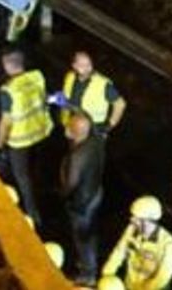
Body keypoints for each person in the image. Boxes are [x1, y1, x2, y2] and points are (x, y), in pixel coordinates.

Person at [0, 49, 53, 229]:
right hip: (41, 131)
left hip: (19, 141)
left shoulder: (8, 90)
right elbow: (44, 99)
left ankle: (34, 216)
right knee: (39, 170)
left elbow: (6, 121)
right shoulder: (37, 76)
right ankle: (47, 197)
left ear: (6, 66)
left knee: (23, 178)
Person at [59, 111, 105, 285]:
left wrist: (62, 194)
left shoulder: (77, 157)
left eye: (69, 126)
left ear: (74, 132)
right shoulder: (97, 141)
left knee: (82, 237)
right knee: (91, 231)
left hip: (81, 203)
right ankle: (89, 261)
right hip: (95, 193)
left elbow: (70, 184)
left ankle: (88, 273)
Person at [102, 195, 172, 290]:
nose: (132, 220)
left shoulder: (168, 244)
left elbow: (163, 276)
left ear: (148, 221)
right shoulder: (132, 230)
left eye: (136, 218)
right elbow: (119, 252)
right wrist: (107, 274)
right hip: (131, 285)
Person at [56, 51, 126, 138]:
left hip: (91, 131)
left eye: (89, 64)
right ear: (74, 66)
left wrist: (109, 125)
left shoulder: (102, 84)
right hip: (70, 124)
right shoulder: (70, 77)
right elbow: (65, 96)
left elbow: (120, 104)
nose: (87, 68)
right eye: (82, 65)